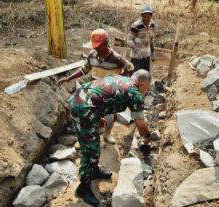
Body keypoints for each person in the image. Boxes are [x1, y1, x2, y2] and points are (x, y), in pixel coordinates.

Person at [69, 70, 152, 206]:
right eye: (146, 88)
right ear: (142, 83)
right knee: (90, 149)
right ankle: (83, 188)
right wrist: (147, 137)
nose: (145, 91)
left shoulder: (120, 78)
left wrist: (96, 115)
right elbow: (141, 124)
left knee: (93, 144)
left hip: (79, 101)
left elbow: (99, 93)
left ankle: (94, 171)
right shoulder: (134, 93)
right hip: (83, 109)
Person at [58, 28, 134, 144]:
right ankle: (87, 136)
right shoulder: (92, 55)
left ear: (106, 43)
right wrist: (68, 78)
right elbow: (84, 70)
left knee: (109, 115)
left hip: (109, 91)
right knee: (88, 113)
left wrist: (119, 81)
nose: (95, 48)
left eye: (98, 46)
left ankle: (107, 134)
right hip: (94, 89)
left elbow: (130, 68)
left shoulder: (116, 58)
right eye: (94, 46)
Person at [127, 4, 155, 72]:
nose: (146, 19)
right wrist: (136, 51)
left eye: (148, 17)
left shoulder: (152, 25)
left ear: (151, 16)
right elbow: (129, 40)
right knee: (135, 78)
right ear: (141, 15)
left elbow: (151, 39)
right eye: (144, 17)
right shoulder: (136, 25)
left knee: (144, 77)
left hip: (146, 56)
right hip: (137, 57)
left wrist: (153, 52)